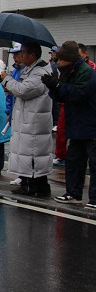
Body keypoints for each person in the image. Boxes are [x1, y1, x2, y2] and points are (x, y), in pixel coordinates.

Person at [43, 41, 96, 208]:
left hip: (91, 124)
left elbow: (79, 94)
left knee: (94, 165)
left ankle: (94, 199)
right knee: (74, 162)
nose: (58, 63)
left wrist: (58, 86)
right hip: (76, 124)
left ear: (70, 59)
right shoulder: (67, 71)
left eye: (61, 60)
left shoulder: (86, 72)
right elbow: (61, 97)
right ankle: (73, 193)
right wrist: (54, 87)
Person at [0, 43, 53, 196]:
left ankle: (33, 186)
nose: (21, 56)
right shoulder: (30, 70)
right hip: (28, 117)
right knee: (28, 153)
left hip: (34, 120)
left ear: (33, 55)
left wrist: (7, 80)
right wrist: (9, 86)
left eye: (24, 52)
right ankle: (30, 184)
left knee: (33, 154)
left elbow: (23, 90)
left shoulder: (40, 72)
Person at [4, 43, 26, 185]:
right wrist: (8, 111)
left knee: (24, 145)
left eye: (18, 54)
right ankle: (20, 173)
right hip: (15, 110)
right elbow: (10, 94)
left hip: (25, 113)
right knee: (16, 144)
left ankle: (24, 174)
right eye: (14, 55)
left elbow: (20, 90)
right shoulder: (15, 70)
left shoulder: (27, 71)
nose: (15, 58)